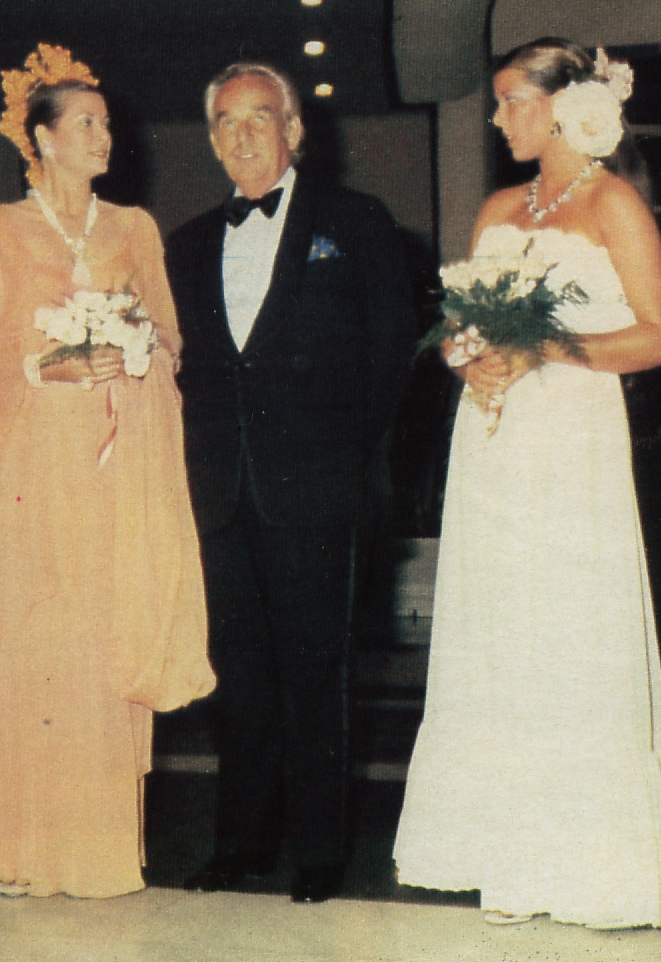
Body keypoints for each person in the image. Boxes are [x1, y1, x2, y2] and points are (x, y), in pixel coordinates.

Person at [393, 38, 661, 928]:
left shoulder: (613, 204)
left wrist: (545, 350)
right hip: (492, 442)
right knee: (500, 632)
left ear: (565, 105)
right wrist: (470, 363)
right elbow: (460, 329)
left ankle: (586, 867)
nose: (497, 119)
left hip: (572, 441)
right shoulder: (496, 205)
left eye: (508, 102)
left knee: (568, 635)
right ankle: (507, 860)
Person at [0, 44, 215, 899]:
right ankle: (20, 846)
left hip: (114, 467)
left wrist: (132, 347)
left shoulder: (135, 229)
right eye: (86, 123)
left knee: (99, 638)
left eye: (107, 124)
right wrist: (52, 364)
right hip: (29, 464)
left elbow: (170, 338)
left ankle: (96, 846)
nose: (104, 136)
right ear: (39, 139)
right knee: (34, 639)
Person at [166, 61, 417, 903]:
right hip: (218, 494)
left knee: (317, 673)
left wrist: (347, 459)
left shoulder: (355, 221)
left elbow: (391, 356)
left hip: (318, 489)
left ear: (295, 130)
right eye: (226, 122)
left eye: (259, 118)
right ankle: (239, 842)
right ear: (210, 139)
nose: (243, 135)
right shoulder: (189, 242)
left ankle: (318, 850)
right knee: (235, 679)